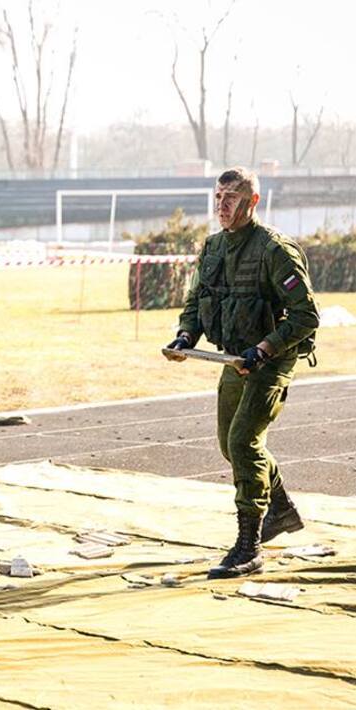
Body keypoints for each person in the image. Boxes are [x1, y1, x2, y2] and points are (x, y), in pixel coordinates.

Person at [164, 166, 319, 580]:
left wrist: (265, 348)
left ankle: (248, 547)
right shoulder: (213, 248)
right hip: (235, 358)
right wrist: (184, 336)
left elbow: (306, 317)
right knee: (229, 445)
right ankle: (281, 509)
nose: (222, 206)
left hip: (271, 359)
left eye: (231, 198)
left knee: (243, 441)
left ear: (252, 202)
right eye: (217, 197)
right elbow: (197, 301)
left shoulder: (274, 251)